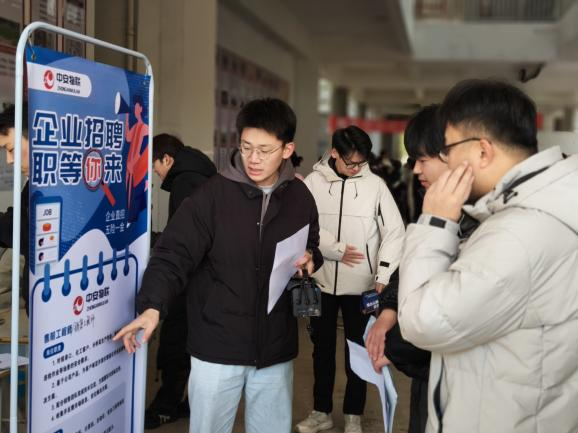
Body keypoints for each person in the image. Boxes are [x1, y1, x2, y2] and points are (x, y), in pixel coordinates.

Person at [114, 98, 323, 433]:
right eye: (246, 147)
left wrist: (310, 259)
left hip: (274, 348)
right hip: (217, 345)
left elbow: (311, 242)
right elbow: (173, 253)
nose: (253, 158)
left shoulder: (300, 198)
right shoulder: (211, 196)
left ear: (287, 149)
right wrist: (152, 306)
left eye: (264, 150)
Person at [398, 79, 578, 433]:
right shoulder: (545, 205)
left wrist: (435, 223)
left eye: (448, 148)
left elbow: (422, 320)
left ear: (483, 151)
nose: (445, 160)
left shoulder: (520, 233)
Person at [297, 125, 405, 433]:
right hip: (319, 281)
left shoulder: (376, 186)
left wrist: (383, 273)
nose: (356, 168)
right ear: (334, 153)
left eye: (361, 162)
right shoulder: (313, 183)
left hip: (362, 285)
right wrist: (336, 249)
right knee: (321, 350)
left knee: (357, 351)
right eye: (350, 162)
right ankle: (321, 412)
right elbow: (302, 224)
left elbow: (395, 232)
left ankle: (354, 416)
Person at [145, 133, 217, 429]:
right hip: (207, 277)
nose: (156, 174)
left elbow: (185, 238)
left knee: (176, 338)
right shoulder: (202, 173)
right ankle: (187, 401)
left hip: (190, 278)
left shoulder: (186, 181)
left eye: (155, 167)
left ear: (167, 159)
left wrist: (158, 246)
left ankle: (167, 405)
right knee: (195, 340)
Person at [0, 103, 30, 314]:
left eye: (11, 149)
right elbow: (18, 218)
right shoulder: (35, 183)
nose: (9, 161)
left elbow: (23, 230)